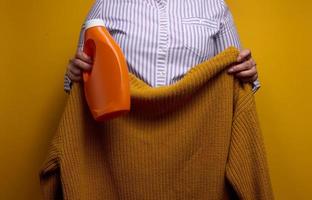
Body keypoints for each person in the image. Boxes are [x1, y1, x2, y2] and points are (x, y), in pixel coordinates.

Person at [64, 0, 260, 94]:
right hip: (121, 141)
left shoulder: (214, 6)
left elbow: (240, 84)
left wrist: (248, 74)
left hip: (196, 144)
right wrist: (75, 74)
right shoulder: (106, 5)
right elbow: (78, 83)